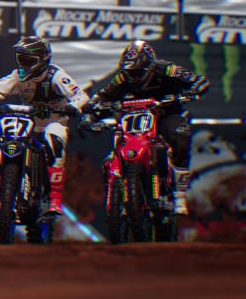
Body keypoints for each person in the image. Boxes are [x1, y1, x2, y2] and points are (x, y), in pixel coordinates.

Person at [85, 40, 209, 215]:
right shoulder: (122, 77)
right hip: (135, 118)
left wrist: (188, 93)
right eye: (130, 72)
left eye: (137, 72)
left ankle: (179, 195)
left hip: (166, 114)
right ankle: (118, 192)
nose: (134, 76)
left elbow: (198, 81)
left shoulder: (166, 69)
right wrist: (91, 111)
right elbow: (102, 96)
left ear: (150, 66)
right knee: (115, 145)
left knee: (179, 136)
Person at [0, 35, 89, 215]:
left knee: (54, 142)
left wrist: (73, 106)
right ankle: (1, 188)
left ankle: (55, 199)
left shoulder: (56, 75)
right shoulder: (18, 75)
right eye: (21, 59)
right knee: (4, 142)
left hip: (55, 121)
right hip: (29, 122)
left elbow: (81, 96)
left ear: (43, 60)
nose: (24, 65)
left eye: (28, 60)